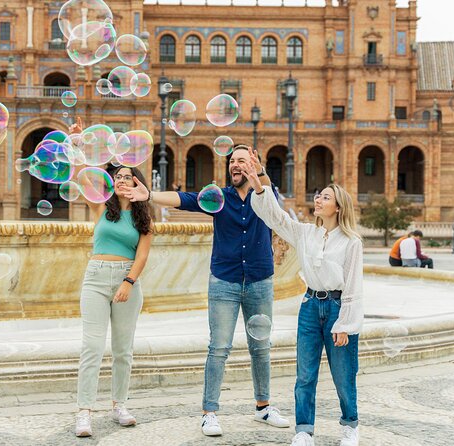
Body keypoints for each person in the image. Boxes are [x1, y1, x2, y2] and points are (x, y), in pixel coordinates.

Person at [122, 145, 289, 437]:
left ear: (254, 164)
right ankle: (209, 412)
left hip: (260, 279)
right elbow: (184, 199)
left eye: (242, 160)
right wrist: (149, 195)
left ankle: (263, 407)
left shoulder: (266, 196)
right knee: (219, 348)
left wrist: (258, 173)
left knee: (261, 346)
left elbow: (272, 195)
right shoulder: (219, 197)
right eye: (232, 161)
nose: (235, 165)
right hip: (224, 280)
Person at [244, 163, 364, 446]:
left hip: (337, 308)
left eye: (324, 197)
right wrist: (259, 187)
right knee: (305, 374)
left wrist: (345, 323)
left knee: (344, 375)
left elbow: (354, 285)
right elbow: (276, 219)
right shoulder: (306, 233)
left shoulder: (351, 242)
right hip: (310, 305)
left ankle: (350, 426)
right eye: (318, 196)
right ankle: (303, 430)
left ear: (338, 207)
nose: (317, 200)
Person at [71, 119, 154, 438]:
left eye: (127, 177)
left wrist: (128, 283)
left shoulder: (144, 217)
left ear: (137, 184)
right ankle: (84, 411)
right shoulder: (101, 207)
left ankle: (119, 404)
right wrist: (78, 145)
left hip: (126, 281)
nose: (121, 180)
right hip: (94, 279)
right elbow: (81, 178)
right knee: (91, 346)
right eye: (117, 176)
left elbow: (143, 254)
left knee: (122, 349)